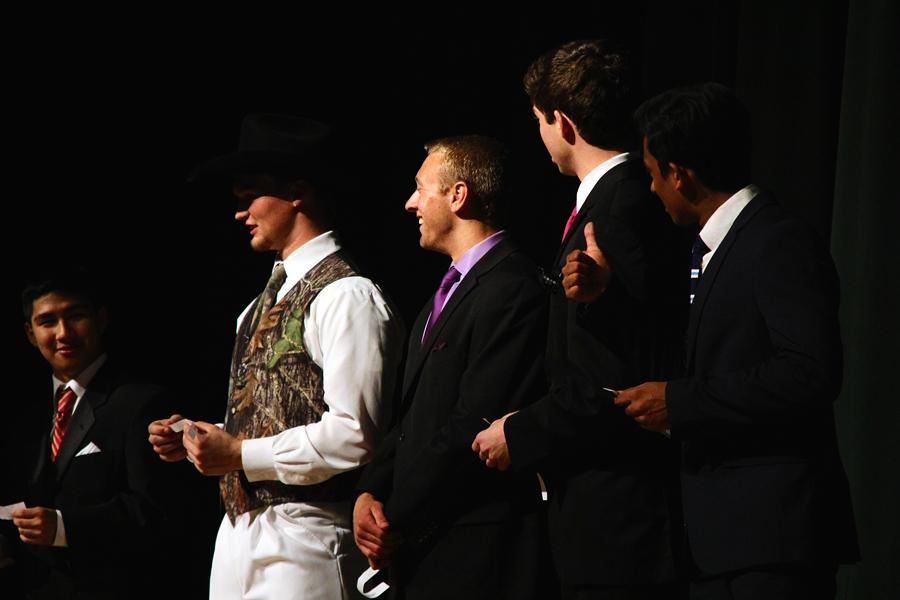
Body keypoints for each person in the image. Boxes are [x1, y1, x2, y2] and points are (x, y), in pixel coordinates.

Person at [614, 82, 859, 599]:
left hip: (771, 541)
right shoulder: (713, 249)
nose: (653, 190)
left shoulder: (777, 239)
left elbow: (810, 371)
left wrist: (678, 401)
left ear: (680, 173)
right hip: (723, 543)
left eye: (654, 174)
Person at [148, 114, 405, 600]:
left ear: (297, 192)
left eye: (250, 197)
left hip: (307, 537)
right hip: (240, 536)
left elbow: (355, 434)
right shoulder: (255, 307)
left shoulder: (346, 295)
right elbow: (270, 411)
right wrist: (200, 437)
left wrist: (241, 454)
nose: (240, 213)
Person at [472, 40, 688, 599]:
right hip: (612, 510)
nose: (539, 135)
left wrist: (520, 431)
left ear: (562, 122)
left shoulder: (617, 210)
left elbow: (614, 376)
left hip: (619, 518)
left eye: (538, 121)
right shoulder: (624, 199)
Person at [353, 136, 550, 599]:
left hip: (478, 553)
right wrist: (369, 493)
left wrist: (394, 517)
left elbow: (472, 422)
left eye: (421, 188)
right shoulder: (443, 295)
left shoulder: (513, 288)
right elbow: (410, 420)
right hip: (427, 549)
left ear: (457, 195)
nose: (410, 203)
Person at [12, 269, 176, 599]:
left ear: (101, 319)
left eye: (75, 316)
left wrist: (64, 526)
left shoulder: (141, 402)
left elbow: (154, 511)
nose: (63, 332)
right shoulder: (23, 415)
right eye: (47, 322)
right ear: (30, 333)